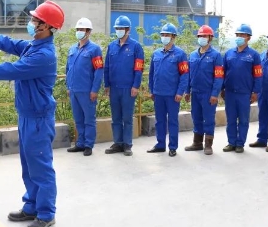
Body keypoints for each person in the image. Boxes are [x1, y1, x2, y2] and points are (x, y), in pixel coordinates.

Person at [0, 0, 64, 227]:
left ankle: (46, 213)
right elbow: (8, 43)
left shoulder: (44, 55)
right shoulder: (33, 47)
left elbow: (12, 69)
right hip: (27, 115)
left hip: (38, 119)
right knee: (29, 165)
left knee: (41, 166)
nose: (31, 23)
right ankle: (31, 206)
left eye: (34, 20)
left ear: (45, 26)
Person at [103, 15, 145, 157]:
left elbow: (139, 68)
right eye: (117, 28)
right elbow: (107, 67)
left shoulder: (136, 47)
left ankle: (127, 144)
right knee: (116, 118)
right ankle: (118, 143)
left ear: (128, 30)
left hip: (128, 88)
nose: (119, 30)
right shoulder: (111, 46)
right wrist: (106, 84)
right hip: (114, 88)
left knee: (127, 118)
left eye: (122, 28)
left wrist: (136, 86)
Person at [146, 23, 189, 157]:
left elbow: (184, 75)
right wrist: (152, 90)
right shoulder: (156, 54)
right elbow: (152, 74)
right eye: (163, 34)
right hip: (158, 94)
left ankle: (173, 147)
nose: (164, 37)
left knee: (172, 121)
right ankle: (160, 145)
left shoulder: (180, 54)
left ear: (173, 37)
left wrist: (180, 92)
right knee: (159, 121)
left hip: (172, 95)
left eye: (167, 35)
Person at [221, 24, 263, 153]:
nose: (239, 37)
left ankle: (240, 143)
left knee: (243, 120)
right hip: (230, 92)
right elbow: (222, 73)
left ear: (248, 38)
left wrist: (255, 92)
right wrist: (222, 88)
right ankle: (231, 142)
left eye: (242, 35)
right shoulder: (228, 53)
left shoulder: (254, 55)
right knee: (231, 119)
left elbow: (258, 75)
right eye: (237, 35)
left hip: (245, 93)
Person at [65, 17, 104, 156]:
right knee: (78, 119)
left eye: (82, 29)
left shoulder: (95, 49)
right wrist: (68, 86)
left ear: (88, 32)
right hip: (74, 90)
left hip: (87, 91)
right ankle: (80, 143)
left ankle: (88, 144)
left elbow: (99, 70)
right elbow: (68, 69)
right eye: (78, 29)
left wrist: (95, 90)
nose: (79, 32)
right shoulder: (72, 49)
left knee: (89, 119)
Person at [184, 24, 223, 156]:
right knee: (196, 118)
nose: (202, 38)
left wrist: (215, 94)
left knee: (209, 119)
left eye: (204, 36)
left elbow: (219, 76)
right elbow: (189, 74)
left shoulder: (216, 56)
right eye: (200, 36)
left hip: (208, 93)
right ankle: (197, 143)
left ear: (210, 38)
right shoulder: (193, 55)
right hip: (195, 92)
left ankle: (208, 145)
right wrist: (187, 91)